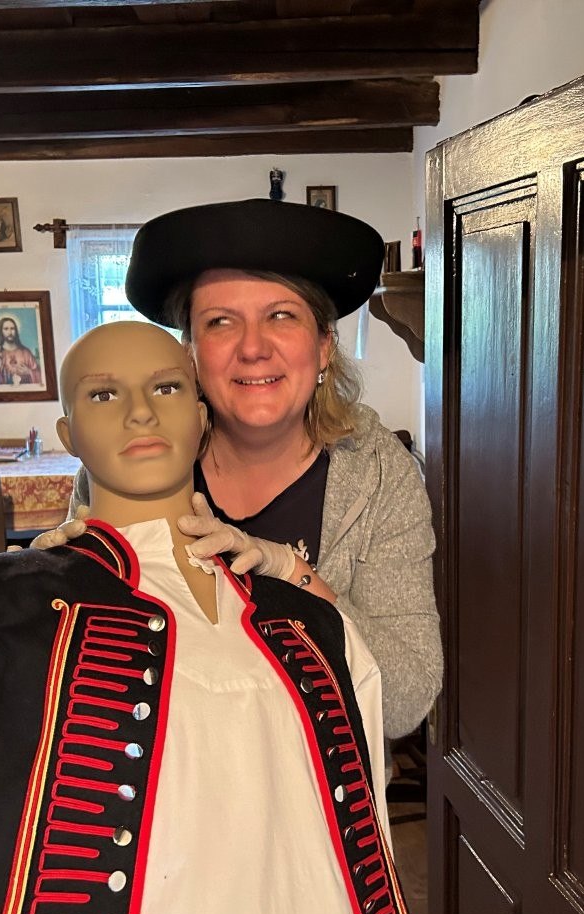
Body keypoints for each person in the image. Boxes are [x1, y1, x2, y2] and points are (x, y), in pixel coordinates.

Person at [0, 320, 423, 914]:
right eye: (103, 394)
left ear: (201, 417)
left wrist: (290, 570)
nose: (140, 412)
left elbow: (367, 857)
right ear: (68, 435)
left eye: (166, 388)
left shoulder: (318, 628)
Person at [41, 198, 441, 740]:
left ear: (324, 345)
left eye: (282, 315)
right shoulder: (136, 460)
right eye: (220, 322)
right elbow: (84, 684)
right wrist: (55, 592)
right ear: (191, 353)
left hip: (321, 777)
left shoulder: (377, 473)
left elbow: (404, 702)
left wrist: (291, 574)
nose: (253, 348)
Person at [0, 314, 42, 386]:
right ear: (1, 331)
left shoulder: (26, 353)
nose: (10, 332)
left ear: (16, 331)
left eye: (12, 328)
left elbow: (41, 378)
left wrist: (29, 372)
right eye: (6, 329)